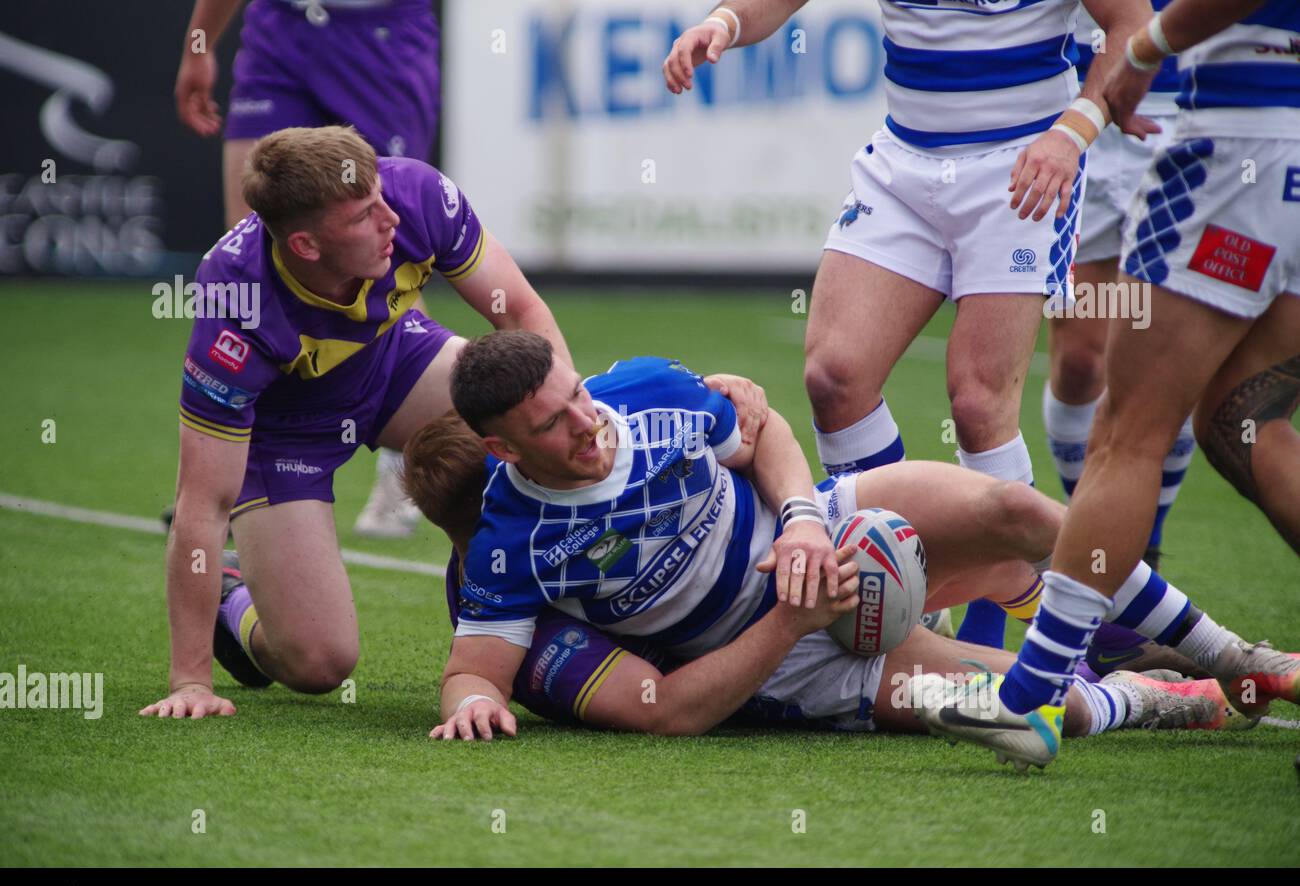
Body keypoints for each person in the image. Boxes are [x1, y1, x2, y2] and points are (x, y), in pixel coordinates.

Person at [424, 332, 1253, 761]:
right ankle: (1146, 694)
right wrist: (470, 701)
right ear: (504, 452)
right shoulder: (509, 546)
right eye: (552, 426)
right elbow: (491, 675)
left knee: (1019, 511)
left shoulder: (640, 389)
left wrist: (803, 523)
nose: (586, 427)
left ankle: (1233, 652)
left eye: (576, 397)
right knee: (1041, 715)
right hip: (784, 656)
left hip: (826, 525)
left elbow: (763, 433)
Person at [665, 0, 1153, 649]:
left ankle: (1002, 622)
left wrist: (1075, 129)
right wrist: (723, 23)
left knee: (979, 404)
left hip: (1026, 164)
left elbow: (1131, 22)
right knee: (835, 376)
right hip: (905, 161)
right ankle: (903, 587)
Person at [919, 0, 1300, 767]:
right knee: (1240, 419)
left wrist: (1149, 43)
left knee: (1129, 432)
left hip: (1241, 139)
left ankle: (1031, 701)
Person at [140, 125, 570, 719]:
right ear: (306, 246)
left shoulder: (414, 194)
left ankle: (504, 617)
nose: (390, 218)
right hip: (285, 433)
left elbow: (521, 312)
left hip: (396, 362)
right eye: (365, 214)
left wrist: (568, 418)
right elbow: (202, 503)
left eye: (381, 198)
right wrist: (190, 682)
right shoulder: (232, 301)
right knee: (318, 664)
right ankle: (232, 602)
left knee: (530, 432)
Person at [175, 0, 441, 538]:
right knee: (250, 243)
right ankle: (235, 468)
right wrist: (198, 44)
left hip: (378, 31)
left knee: (383, 241)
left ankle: (404, 468)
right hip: (280, 26)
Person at [1043, 0, 1194, 574]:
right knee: (1081, 361)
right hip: (1080, 109)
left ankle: (1139, 552)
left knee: (1168, 355)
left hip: (1185, 108)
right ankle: (1092, 529)